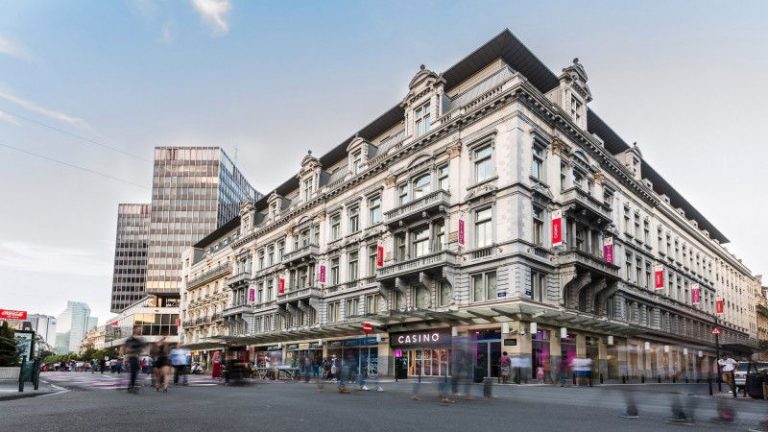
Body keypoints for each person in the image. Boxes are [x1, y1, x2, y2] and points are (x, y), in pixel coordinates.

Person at [122, 325, 146, 393]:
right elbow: (126, 349)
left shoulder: (140, 339)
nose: (140, 330)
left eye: (140, 329)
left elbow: (142, 347)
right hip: (131, 356)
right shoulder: (130, 339)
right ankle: (132, 385)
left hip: (137, 356)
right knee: (134, 370)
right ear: (134, 329)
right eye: (138, 329)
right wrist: (129, 351)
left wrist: (139, 349)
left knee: (136, 370)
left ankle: (131, 385)